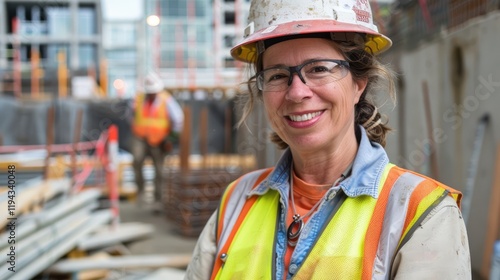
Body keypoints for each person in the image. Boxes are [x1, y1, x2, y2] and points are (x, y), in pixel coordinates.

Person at [185, 0, 471, 279]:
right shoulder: (238, 199)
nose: (297, 93)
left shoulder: (419, 211)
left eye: (319, 69)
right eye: (277, 75)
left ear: (359, 83)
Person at [130, 71, 184, 212]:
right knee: (137, 160)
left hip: (159, 139)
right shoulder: (139, 98)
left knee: (159, 169)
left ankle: (159, 200)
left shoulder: (166, 100)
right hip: (141, 136)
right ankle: (140, 192)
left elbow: (179, 119)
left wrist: (170, 138)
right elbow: (132, 114)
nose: (152, 94)